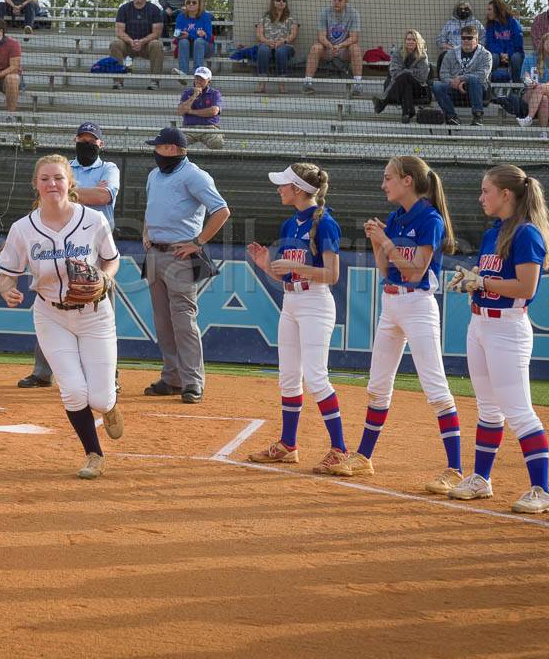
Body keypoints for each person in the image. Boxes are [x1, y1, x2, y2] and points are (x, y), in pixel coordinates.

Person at [331, 156, 463, 495]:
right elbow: (387, 268)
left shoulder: (430, 219)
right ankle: (364, 457)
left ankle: (455, 469)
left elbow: (416, 270)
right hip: (391, 303)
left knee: (435, 388)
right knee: (377, 386)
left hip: (418, 304)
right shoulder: (395, 217)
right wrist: (378, 242)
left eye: (388, 178)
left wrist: (386, 241)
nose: (383, 184)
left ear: (408, 181)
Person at [0, 154, 124, 480]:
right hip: (50, 315)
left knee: (100, 395)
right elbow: (7, 275)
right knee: (74, 392)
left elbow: (111, 260)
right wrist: (6, 289)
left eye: (58, 178)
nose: (52, 184)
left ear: (70, 183)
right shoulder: (23, 228)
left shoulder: (93, 220)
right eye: (45, 179)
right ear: (35, 186)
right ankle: (94, 454)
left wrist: (106, 279)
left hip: (94, 314)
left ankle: (108, 407)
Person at [445, 165, 549, 514]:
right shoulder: (495, 231)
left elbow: (527, 287)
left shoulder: (526, 233)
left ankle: (543, 490)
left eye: (486, 191)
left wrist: (483, 283)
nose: (481, 198)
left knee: (519, 410)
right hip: (480, 325)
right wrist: (472, 278)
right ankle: (481, 478)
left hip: (508, 328)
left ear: (506, 195)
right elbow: (491, 276)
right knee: (488, 408)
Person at [245, 163, 348, 474]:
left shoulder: (326, 224)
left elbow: (332, 275)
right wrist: (266, 265)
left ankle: (340, 450)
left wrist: (296, 267)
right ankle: (288, 446)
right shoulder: (291, 224)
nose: (279, 189)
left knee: (316, 377)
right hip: (291, 300)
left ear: (300, 190)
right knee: (289, 376)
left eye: (284, 185)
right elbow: (288, 274)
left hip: (316, 303)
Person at [16, 122, 121, 391]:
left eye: (92, 140)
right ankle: (42, 372)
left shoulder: (109, 169)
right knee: (50, 300)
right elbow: (48, 198)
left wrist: (64, 193)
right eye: (82, 139)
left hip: (94, 247)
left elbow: (103, 196)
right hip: (57, 242)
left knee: (102, 309)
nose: (86, 143)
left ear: (101, 143)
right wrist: (64, 191)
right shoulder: (65, 167)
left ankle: (110, 376)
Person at [141, 126, 231, 404]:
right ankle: (172, 378)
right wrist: (146, 232)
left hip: (180, 254)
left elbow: (222, 211)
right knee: (163, 322)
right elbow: (151, 208)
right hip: (155, 253)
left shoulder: (195, 175)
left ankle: (192, 381)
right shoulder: (154, 174)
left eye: (159, 146)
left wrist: (198, 242)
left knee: (183, 320)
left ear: (171, 149)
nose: (155, 151)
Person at [303, 0, 364, 96]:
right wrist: (331, 46)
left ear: (346, 1)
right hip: (328, 49)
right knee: (315, 47)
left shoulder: (354, 13)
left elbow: (354, 37)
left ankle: (357, 84)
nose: (336, 2)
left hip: (344, 50)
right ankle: (307, 82)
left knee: (356, 48)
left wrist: (340, 45)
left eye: (340, 0)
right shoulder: (324, 12)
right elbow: (321, 36)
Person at [431, 25, 491, 126]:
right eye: (463, 38)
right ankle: (451, 117)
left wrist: (462, 78)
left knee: (473, 79)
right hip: (455, 87)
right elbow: (443, 74)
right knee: (436, 85)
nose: (466, 40)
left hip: (477, 89)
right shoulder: (450, 53)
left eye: (469, 38)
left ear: (476, 40)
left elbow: (482, 75)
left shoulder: (485, 54)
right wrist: (453, 82)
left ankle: (477, 116)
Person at [109, 0, 164, 87]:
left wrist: (142, 41)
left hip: (147, 45)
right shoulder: (124, 9)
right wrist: (131, 41)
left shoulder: (154, 9)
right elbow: (119, 31)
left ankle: (154, 81)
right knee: (115, 44)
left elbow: (156, 33)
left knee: (157, 44)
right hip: (128, 45)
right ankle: (118, 81)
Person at [372, 29, 431, 123]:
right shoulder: (397, 53)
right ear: (405, 41)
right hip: (399, 88)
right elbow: (394, 73)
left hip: (419, 89)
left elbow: (422, 76)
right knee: (406, 84)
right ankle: (407, 113)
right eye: (408, 39)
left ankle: (383, 102)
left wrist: (406, 72)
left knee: (405, 76)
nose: (410, 42)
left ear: (417, 42)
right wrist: (409, 72)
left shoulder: (423, 56)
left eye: (413, 39)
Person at [516, 32, 549, 131]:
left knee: (542, 90)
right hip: (530, 91)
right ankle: (543, 132)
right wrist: (529, 82)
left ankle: (529, 118)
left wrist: (538, 85)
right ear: (543, 43)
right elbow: (524, 77)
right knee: (544, 99)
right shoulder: (529, 58)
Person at [255, 0, 299, 92]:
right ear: (273, 2)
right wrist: (267, 42)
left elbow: (293, 35)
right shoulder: (264, 19)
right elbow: (259, 34)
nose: (281, 2)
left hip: (285, 46)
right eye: (278, 0)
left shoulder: (291, 19)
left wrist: (282, 42)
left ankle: (281, 85)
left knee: (281, 51)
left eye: (284, 0)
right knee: (263, 50)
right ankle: (262, 84)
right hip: (267, 44)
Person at [177, 66, 224, 149]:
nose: (198, 81)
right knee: (177, 142)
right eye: (197, 78)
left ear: (209, 81)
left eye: (202, 79)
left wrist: (191, 112)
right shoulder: (187, 93)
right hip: (189, 128)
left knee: (217, 143)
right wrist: (194, 95)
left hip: (209, 128)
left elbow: (213, 111)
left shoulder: (215, 93)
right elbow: (180, 111)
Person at [484, 0, 524, 83]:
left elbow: (517, 43)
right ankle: (488, 84)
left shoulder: (513, 23)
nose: (488, 12)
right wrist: (500, 53)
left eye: (490, 9)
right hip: (498, 54)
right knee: (492, 57)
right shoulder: (490, 25)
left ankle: (516, 86)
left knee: (516, 58)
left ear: (497, 9)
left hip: (513, 53)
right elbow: (489, 44)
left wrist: (508, 54)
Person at [174, 0, 214, 75]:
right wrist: (193, 34)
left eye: (194, 2)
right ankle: (183, 72)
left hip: (205, 48)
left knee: (199, 41)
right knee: (183, 41)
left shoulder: (205, 16)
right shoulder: (181, 16)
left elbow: (209, 37)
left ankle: (197, 73)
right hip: (188, 48)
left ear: (200, 4)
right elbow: (176, 34)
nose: (191, 4)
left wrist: (190, 35)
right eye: (188, 2)